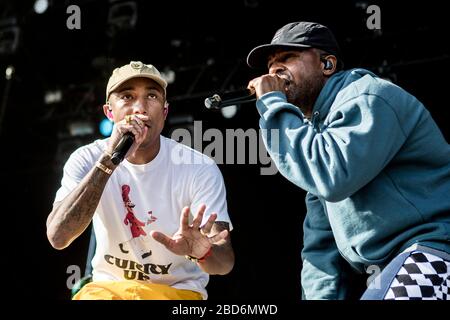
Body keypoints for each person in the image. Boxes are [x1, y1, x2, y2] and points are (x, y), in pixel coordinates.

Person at [246, 21, 450, 300]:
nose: (274, 71)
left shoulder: (368, 96)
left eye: (287, 58)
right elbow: (321, 246)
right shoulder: (319, 136)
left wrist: (272, 103)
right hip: (390, 267)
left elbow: (331, 176)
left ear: (327, 64)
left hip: (434, 250)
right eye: (270, 65)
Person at [46, 61, 235, 300]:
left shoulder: (198, 168)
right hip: (108, 291)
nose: (140, 108)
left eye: (152, 96)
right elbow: (58, 237)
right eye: (127, 97)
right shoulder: (86, 158)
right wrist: (108, 161)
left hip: (176, 292)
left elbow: (225, 263)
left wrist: (203, 253)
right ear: (109, 112)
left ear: (164, 113)